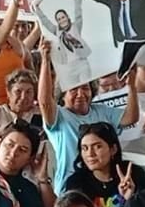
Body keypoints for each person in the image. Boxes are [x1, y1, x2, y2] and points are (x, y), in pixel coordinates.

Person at [38, 40, 139, 188]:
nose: (80, 94)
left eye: (85, 88)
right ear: (62, 95)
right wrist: (45, 62)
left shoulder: (101, 110)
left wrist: (132, 87)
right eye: (73, 89)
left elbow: (131, 118)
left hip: (104, 184)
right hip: (71, 188)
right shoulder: (59, 117)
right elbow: (45, 101)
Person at [62, 122, 145, 207]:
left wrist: (130, 199)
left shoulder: (134, 174)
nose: (90, 154)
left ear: (113, 149)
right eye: (85, 148)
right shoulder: (76, 183)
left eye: (97, 146)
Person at [32, 0, 92, 91]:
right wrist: (37, 8)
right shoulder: (57, 31)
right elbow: (46, 21)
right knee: (72, 93)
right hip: (68, 67)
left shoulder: (76, 26)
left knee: (85, 90)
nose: (61, 20)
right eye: (59, 19)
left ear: (67, 17)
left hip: (82, 64)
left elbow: (78, 12)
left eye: (63, 17)